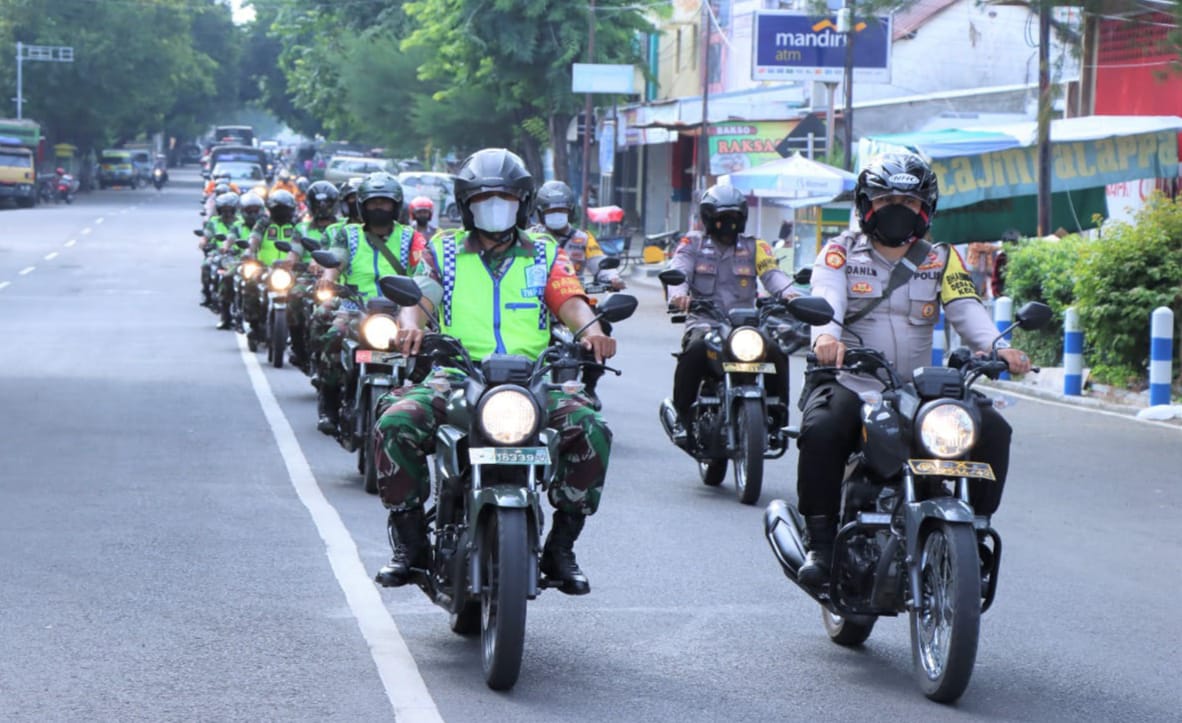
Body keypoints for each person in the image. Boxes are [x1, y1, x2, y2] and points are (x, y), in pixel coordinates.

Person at [372, 148, 615, 596]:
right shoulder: (442, 250)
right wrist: (409, 329)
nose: (495, 207)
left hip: (533, 381)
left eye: (505, 198)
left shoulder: (543, 251)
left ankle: (562, 547)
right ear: (466, 205)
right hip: (455, 375)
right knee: (395, 422)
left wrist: (593, 328)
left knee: (592, 427)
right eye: (484, 199)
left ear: (522, 203)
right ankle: (410, 547)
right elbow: (418, 298)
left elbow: (569, 296)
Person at [794, 152, 1033, 587]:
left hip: (919, 391)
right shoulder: (839, 252)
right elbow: (827, 299)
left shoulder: (942, 258)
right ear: (867, 206)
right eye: (886, 201)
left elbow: (966, 309)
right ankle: (822, 542)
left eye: (909, 202)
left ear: (926, 209)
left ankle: (974, 531)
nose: (898, 211)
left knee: (994, 428)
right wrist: (826, 338)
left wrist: (1000, 348)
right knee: (823, 429)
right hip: (855, 380)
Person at [663, 184, 798, 450]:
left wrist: (791, 295)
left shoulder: (755, 246)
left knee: (776, 352)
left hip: (745, 326)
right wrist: (678, 295)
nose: (728, 223)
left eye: (734, 217)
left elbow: (773, 275)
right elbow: (678, 270)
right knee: (695, 350)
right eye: (722, 217)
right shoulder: (693, 244)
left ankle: (777, 415)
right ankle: (682, 415)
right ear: (709, 218)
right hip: (705, 322)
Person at [315, 172, 424, 434]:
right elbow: (337, 259)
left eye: (384, 202)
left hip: (400, 313)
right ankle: (328, 404)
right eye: (373, 203)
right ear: (362, 206)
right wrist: (329, 278)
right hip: (355, 309)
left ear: (396, 206)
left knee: (427, 352)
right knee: (333, 334)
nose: (379, 208)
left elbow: (423, 268)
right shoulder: (347, 234)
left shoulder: (412, 237)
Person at [530, 179, 624, 403]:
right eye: (552, 211)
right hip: (537, 305)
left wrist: (612, 278)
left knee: (603, 329)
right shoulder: (529, 238)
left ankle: (590, 387)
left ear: (570, 212)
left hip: (575, 303)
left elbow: (598, 263)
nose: (556, 215)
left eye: (561, 211)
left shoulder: (583, 238)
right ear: (541, 213)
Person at [287, 180, 339, 369]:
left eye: (327, 203)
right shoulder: (302, 228)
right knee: (294, 296)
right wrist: (292, 263)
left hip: (336, 279)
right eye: (318, 204)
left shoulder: (341, 229)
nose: (323, 207)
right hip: (309, 276)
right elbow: (294, 253)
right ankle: (298, 348)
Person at [244, 190, 299, 348]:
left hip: (291, 271)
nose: (282, 212)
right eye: (278, 209)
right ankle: (254, 325)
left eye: (285, 209)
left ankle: (298, 334)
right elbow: (254, 238)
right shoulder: (263, 223)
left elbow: (301, 245)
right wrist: (249, 252)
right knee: (251, 285)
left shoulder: (296, 225)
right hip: (265, 268)